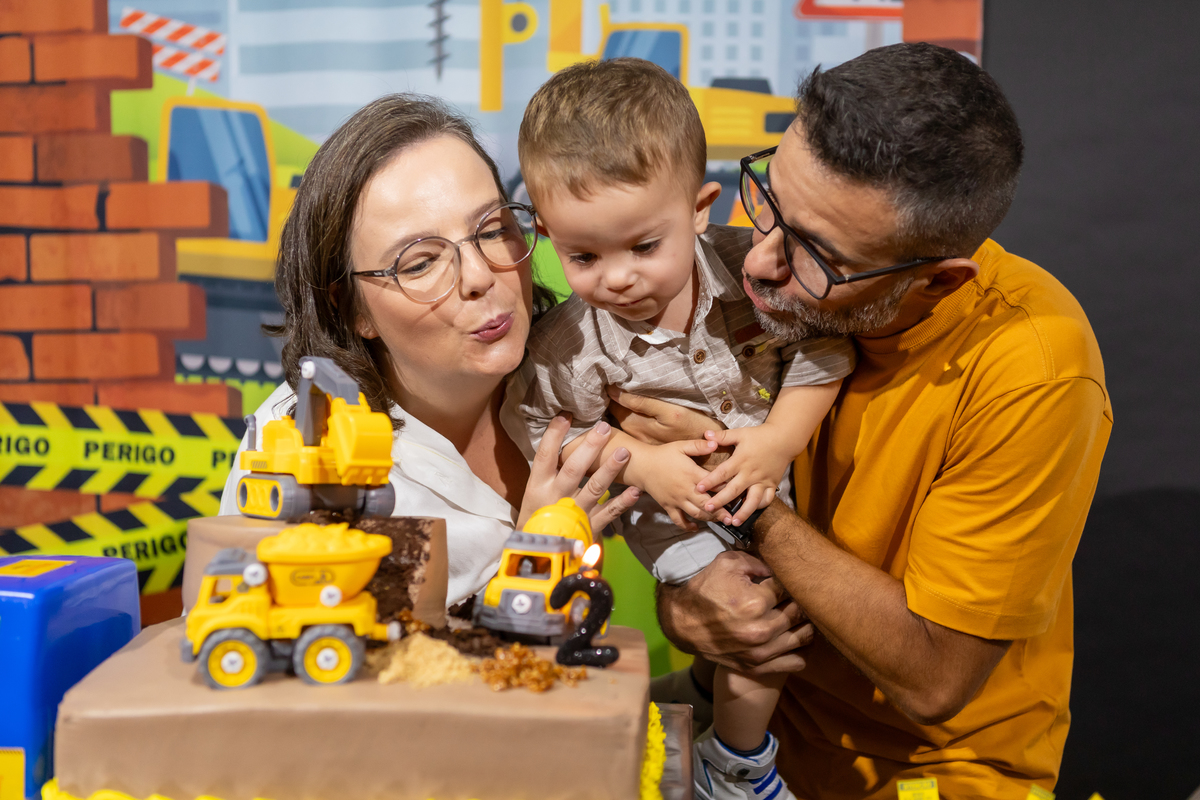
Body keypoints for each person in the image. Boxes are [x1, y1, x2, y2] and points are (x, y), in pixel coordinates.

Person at [615, 43, 1111, 799]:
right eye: (767, 198)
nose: (758, 264)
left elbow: (934, 676)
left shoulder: (1035, 368)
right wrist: (688, 604)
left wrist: (744, 495)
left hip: (924, 768)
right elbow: (680, 553)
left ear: (938, 281)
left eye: (817, 255)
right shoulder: (749, 280)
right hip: (746, 713)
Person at [501, 58, 857, 800]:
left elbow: (827, 348)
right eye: (582, 256)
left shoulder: (753, 273)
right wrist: (637, 460)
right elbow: (536, 423)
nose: (617, 278)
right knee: (755, 617)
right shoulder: (572, 345)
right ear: (547, 232)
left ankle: (713, 731)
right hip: (675, 519)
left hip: (774, 487)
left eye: (643, 247)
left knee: (812, 606)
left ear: (699, 209)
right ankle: (738, 766)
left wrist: (777, 441)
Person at [218, 94, 641, 608]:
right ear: (351, 309)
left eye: (493, 230)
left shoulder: (599, 361)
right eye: (419, 263)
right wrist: (525, 566)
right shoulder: (301, 452)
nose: (480, 276)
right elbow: (262, 646)